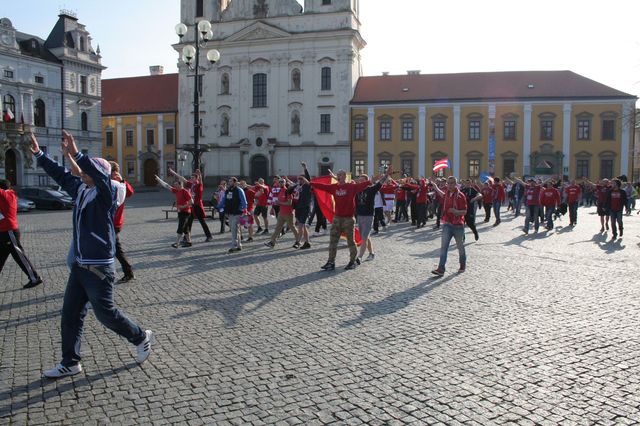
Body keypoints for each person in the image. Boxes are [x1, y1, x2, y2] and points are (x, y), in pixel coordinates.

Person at [29, 131, 153, 378]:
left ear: (98, 175)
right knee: (70, 315)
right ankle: (71, 362)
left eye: (86, 172)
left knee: (105, 314)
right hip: (80, 265)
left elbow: (95, 173)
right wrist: (39, 154)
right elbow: (62, 175)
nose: (81, 173)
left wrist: (76, 153)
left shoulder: (105, 194)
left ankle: (140, 336)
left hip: (98, 266)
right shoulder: (82, 189)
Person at [311, 168, 390, 270]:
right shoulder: (335, 187)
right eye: (337, 175)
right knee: (333, 241)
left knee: (353, 241)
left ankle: (354, 260)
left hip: (353, 218)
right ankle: (331, 262)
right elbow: (323, 186)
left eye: (341, 175)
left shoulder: (355, 187)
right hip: (339, 218)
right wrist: (311, 183)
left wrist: (384, 176)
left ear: (344, 176)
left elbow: (371, 182)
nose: (338, 176)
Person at [0, 178, 43, 289]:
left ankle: (35, 278)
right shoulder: (8, 194)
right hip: (4, 232)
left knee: (19, 256)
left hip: (9, 231)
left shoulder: (6, 195)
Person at [430, 176, 468, 276]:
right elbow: (442, 195)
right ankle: (441, 269)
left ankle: (462, 264)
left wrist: (456, 211)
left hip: (458, 225)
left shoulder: (461, 196)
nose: (450, 185)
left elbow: (464, 211)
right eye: (449, 183)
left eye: (452, 183)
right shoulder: (447, 193)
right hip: (447, 224)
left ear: (455, 184)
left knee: (460, 246)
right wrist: (435, 187)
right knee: (444, 247)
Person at [168, 169, 213, 242]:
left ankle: (209, 236)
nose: (191, 179)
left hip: (197, 206)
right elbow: (182, 179)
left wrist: (200, 175)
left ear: (196, 178)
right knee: (189, 222)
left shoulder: (199, 185)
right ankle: (186, 238)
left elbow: (201, 182)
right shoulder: (191, 185)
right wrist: (173, 172)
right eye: (191, 177)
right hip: (191, 206)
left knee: (202, 222)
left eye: (193, 177)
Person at [109, 162, 135, 283]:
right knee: (114, 249)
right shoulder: (112, 183)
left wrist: (123, 180)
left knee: (116, 250)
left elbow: (130, 193)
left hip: (113, 222)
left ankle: (128, 273)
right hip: (113, 222)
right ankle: (127, 272)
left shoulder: (116, 184)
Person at [355, 173, 385, 263]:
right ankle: (372, 253)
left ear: (367, 181)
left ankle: (359, 257)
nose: (360, 182)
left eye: (362, 180)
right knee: (365, 237)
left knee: (364, 237)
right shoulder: (357, 189)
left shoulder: (371, 189)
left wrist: (386, 175)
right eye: (359, 180)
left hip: (368, 216)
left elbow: (380, 183)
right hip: (360, 215)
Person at [156, 175, 193, 248]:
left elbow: (191, 202)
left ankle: (177, 243)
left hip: (186, 212)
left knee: (181, 227)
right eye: (174, 184)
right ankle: (189, 242)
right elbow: (167, 186)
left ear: (180, 184)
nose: (174, 186)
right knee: (185, 228)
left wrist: (183, 206)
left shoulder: (185, 191)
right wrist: (159, 180)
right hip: (180, 212)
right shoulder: (176, 191)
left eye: (176, 184)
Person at [264, 177, 299, 248]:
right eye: (279, 182)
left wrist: (279, 202)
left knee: (292, 227)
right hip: (281, 212)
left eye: (282, 182)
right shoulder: (280, 191)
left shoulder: (287, 191)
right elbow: (279, 201)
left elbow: (289, 203)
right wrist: (275, 205)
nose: (280, 183)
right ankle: (272, 242)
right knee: (277, 228)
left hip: (288, 213)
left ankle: (298, 241)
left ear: (285, 183)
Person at [217, 177, 248, 253]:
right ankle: (239, 245)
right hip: (230, 213)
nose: (229, 183)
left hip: (237, 212)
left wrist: (244, 210)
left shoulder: (239, 190)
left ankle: (233, 246)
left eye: (230, 181)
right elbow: (224, 200)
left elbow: (244, 202)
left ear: (234, 182)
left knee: (234, 229)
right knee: (235, 229)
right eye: (229, 181)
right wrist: (218, 206)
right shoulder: (227, 191)